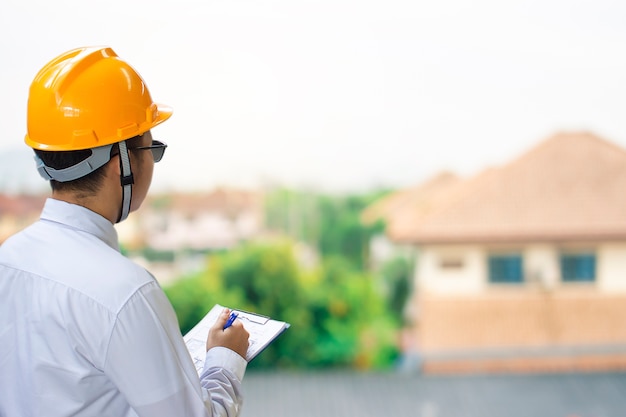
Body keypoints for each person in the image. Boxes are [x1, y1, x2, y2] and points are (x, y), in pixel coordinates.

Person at [0, 46, 250, 417]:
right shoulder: (128, 295)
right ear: (122, 163)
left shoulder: (8, 259)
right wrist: (224, 363)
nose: (152, 160)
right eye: (152, 147)